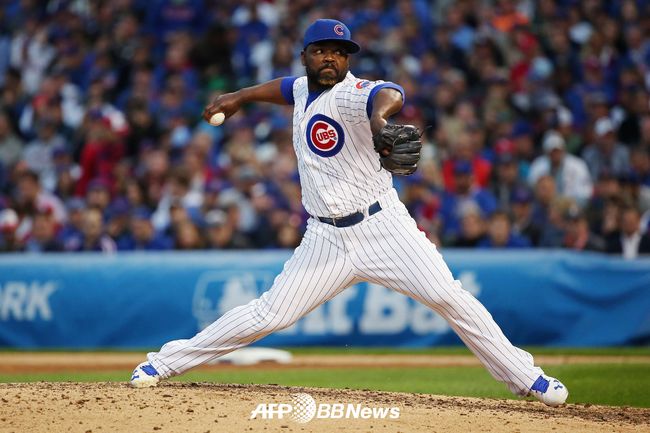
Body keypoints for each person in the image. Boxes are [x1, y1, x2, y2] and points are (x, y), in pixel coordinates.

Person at [130, 19, 568, 407]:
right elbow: (284, 87)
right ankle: (163, 363)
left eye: (340, 53)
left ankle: (526, 377)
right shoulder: (302, 89)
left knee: (450, 298)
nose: (331, 59)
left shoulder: (350, 95)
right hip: (325, 238)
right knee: (269, 315)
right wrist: (240, 96)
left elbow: (388, 93)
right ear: (305, 55)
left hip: (384, 228)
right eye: (321, 50)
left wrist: (379, 122)